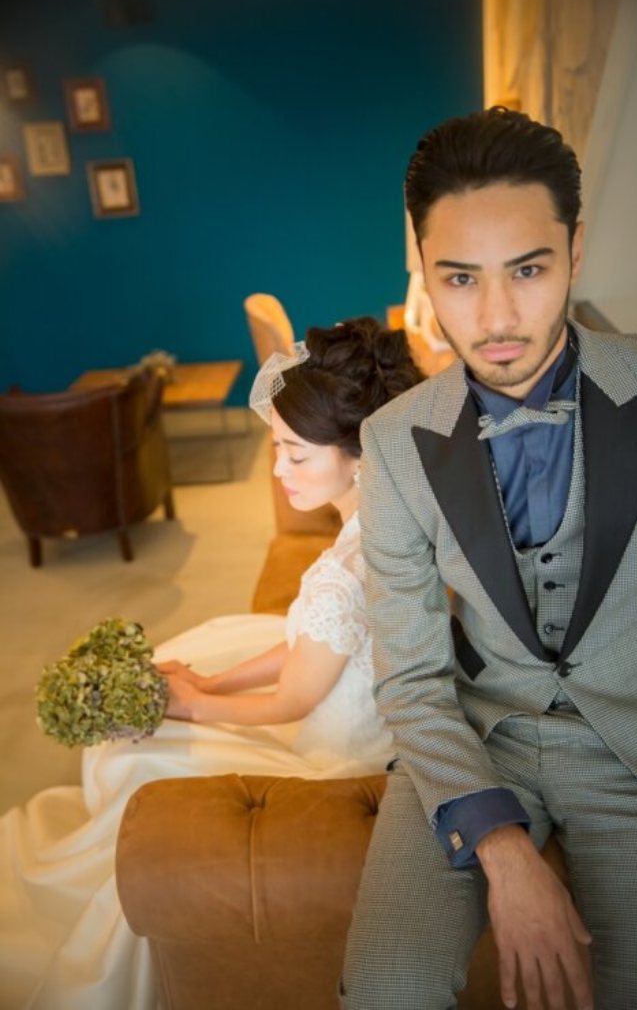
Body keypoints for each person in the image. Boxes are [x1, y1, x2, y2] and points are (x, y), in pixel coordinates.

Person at [341, 108, 637, 1010]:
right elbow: (408, 675)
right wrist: (500, 847)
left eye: (527, 270)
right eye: (459, 279)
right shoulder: (391, 442)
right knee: (385, 990)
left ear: (575, 250)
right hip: (474, 740)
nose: (494, 319)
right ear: (424, 273)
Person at [0, 316, 424, 1010]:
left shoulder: (343, 573)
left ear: (357, 454)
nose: (278, 471)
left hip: (338, 757)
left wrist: (191, 703)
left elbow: (292, 699)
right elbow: (315, 647)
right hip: (354, 711)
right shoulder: (382, 521)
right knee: (191, 658)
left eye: (296, 455)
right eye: (276, 450)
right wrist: (212, 681)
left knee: (134, 758)